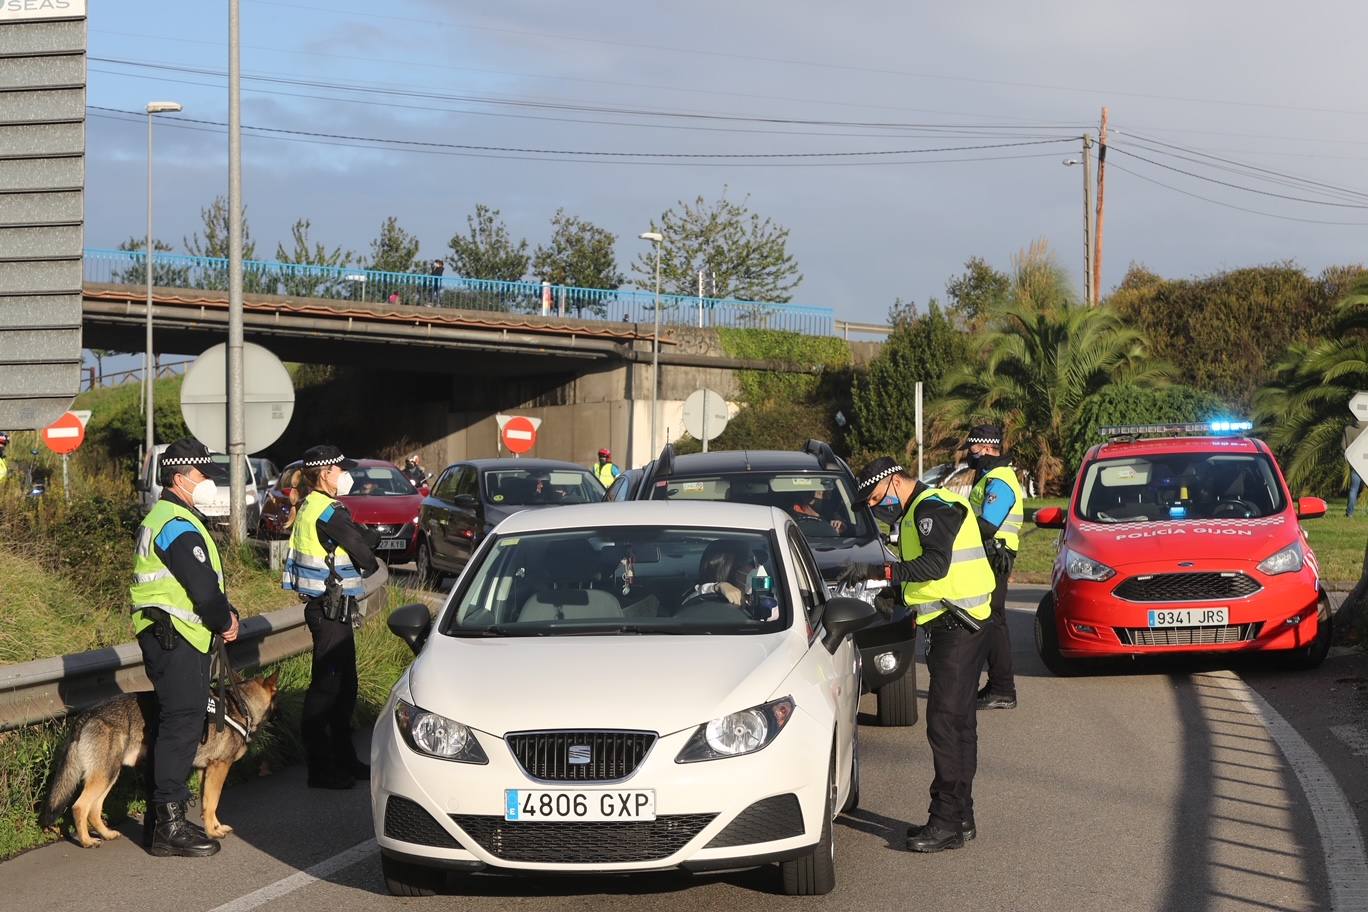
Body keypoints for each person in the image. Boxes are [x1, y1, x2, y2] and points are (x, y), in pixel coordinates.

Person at [841, 457, 995, 853]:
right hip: (957, 624)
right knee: (958, 725)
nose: (876, 508)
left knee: (945, 726)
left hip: (958, 627)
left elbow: (935, 564)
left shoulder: (930, 509)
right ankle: (960, 816)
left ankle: (945, 822)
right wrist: (899, 595)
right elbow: (926, 578)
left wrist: (882, 573)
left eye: (877, 498)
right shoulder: (918, 510)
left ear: (894, 482)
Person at [129, 437, 240, 857]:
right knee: (181, 726)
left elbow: (203, 586)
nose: (208, 480)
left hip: (174, 636)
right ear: (180, 478)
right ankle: (169, 828)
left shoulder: (172, 518)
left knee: (175, 725)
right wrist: (224, 619)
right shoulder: (175, 523)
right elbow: (201, 590)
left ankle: (162, 821)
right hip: (173, 638)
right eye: (202, 474)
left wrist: (224, 612)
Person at [281, 445, 382, 789]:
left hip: (326, 607)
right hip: (329, 609)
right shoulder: (329, 511)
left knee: (344, 685)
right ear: (325, 474)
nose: (344, 476)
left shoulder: (312, 505)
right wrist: (368, 539)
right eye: (340, 470)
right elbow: (367, 556)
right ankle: (321, 768)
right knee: (327, 688)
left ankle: (344, 759)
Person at [965, 424, 1024, 711]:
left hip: (994, 557)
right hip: (990, 556)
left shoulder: (1000, 478)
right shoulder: (990, 476)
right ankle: (1000, 686)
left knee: (992, 620)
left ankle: (1002, 688)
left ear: (987, 448)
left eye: (973, 449)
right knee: (991, 620)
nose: (969, 454)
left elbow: (988, 524)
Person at [1345, 422, 1365, 518]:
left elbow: (1343, 446)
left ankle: (1350, 514)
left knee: (1353, 489)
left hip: (1355, 463)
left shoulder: (1348, 428)